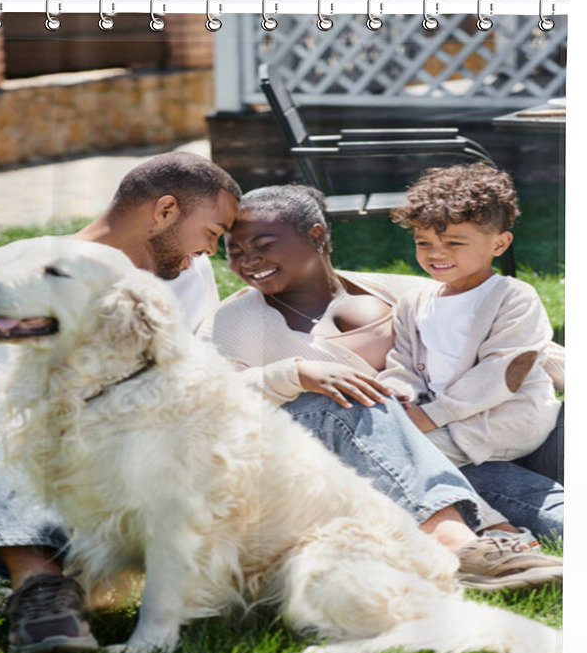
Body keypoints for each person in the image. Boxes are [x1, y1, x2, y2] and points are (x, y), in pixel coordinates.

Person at [0, 151, 241, 653]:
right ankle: (41, 594)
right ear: (164, 212)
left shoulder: (186, 280)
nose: (210, 253)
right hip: (13, 452)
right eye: (213, 233)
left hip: (125, 458)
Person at [199, 184, 564, 588]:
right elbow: (207, 398)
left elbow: (520, 350)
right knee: (542, 503)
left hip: (489, 425)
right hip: (421, 462)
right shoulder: (233, 321)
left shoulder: (406, 292)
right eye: (234, 252)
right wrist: (296, 373)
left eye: (263, 244)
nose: (248, 261)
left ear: (316, 235)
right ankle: (470, 542)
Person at [380, 162, 563, 475]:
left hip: (503, 420)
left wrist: (429, 417)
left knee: (388, 458)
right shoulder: (413, 303)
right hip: (442, 418)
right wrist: (398, 396)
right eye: (424, 242)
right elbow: (403, 364)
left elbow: (501, 374)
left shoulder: (512, 297)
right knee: (372, 438)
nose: (436, 254)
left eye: (454, 243)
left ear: (499, 244)